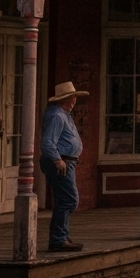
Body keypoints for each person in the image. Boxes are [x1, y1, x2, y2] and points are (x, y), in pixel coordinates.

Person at [40, 81, 88, 252]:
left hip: (67, 161)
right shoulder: (56, 115)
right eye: (72, 97)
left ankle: (60, 236)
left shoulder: (63, 114)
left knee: (65, 200)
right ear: (65, 99)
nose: (74, 101)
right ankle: (58, 239)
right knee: (68, 199)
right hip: (61, 162)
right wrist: (57, 159)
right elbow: (47, 142)